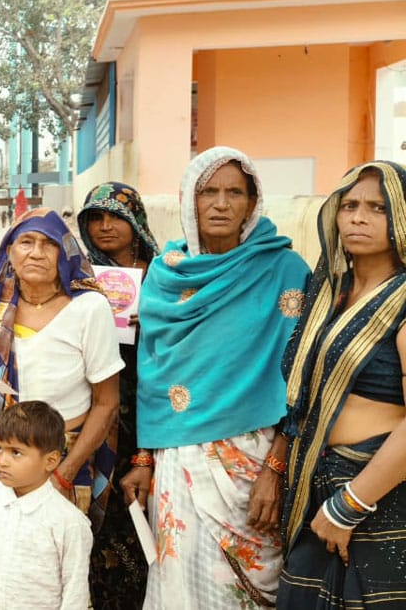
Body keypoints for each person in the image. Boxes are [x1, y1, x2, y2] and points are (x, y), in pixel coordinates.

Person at [119, 146, 310, 608]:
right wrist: (144, 457)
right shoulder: (166, 277)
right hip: (179, 462)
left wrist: (277, 467)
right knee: (182, 581)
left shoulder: (286, 271)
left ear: (252, 202)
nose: (221, 204)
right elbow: (154, 370)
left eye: (234, 192)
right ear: (190, 199)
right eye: (209, 192)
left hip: (257, 462)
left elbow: (305, 378)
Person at [278, 161, 406, 608]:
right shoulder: (328, 292)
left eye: (377, 208)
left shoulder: (403, 298)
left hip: (377, 494)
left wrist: (351, 504)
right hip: (317, 481)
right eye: (349, 205)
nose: (357, 217)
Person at [0, 208, 122, 525]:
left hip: (63, 458)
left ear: (64, 252)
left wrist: (62, 474)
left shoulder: (89, 307)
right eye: (26, 242)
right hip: (1, 458)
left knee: (55, 567)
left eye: (48, 243)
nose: (37, 253)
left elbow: (107, 403)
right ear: (9, 252)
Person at [77, 181, 161, 610]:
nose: (105, 226)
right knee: (102, 531)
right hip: (97, 420)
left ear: (136, 220)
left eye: (116, 216)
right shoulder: (79, 278)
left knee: (153, 530)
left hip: (156, 419)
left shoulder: (166, 276)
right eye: (96, 217)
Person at [0, 401, 92, 610]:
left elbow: (75, 594)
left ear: (51, 460)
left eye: (16, 453)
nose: (2, 461)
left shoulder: (69, 522)